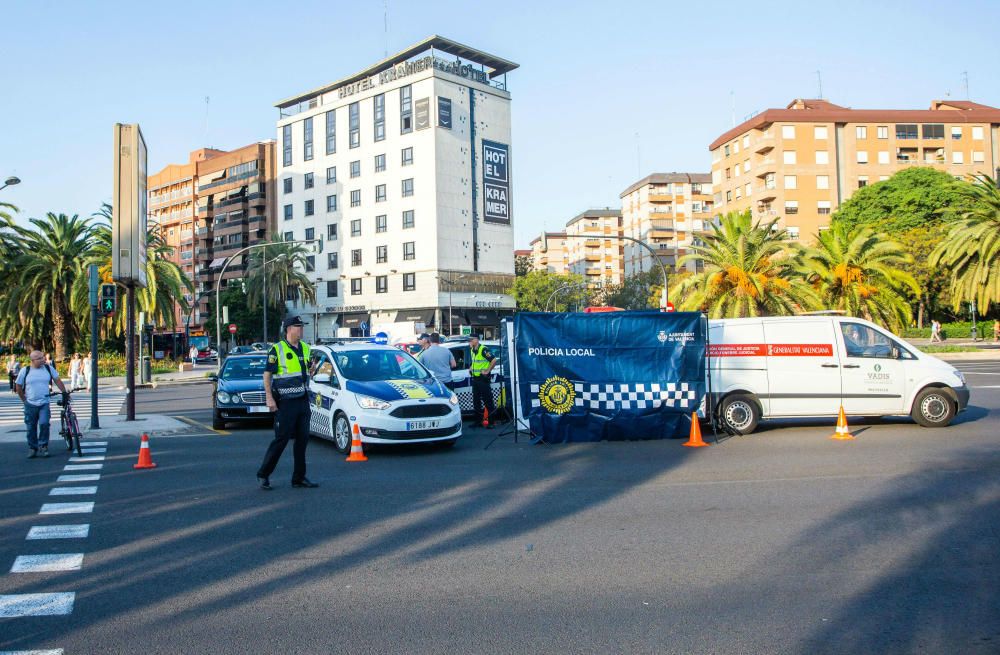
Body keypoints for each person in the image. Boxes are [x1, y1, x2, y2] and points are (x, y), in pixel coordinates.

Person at [256, 316, 318, 490]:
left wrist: (311, 370)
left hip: (303, 401)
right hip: (285, 403)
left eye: (302, 327)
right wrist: (269, 398)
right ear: (289, 329)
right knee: (281, 440)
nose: (301, 330)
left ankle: (299, 477)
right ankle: (263, 474)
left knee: (302, 440)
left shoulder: (306, 348)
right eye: (298, 327)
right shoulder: (277, 349)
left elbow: (305, 372)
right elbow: (267, 374)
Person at [15, 350, 68, 458]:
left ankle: (43, 445)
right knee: (31, 427)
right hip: (30, 403)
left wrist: (64, 392)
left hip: (44, 403)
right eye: (39, 358)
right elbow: (18, 387)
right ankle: (33, 448)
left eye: (43, 357)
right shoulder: (25, 371)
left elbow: (57, 380)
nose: (43, 359)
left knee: (44, 424)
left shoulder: (48, 368)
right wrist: (24, 400)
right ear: (33, 360)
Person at [468, 335, 499, 429]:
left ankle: (491, 422)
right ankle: (478, 421)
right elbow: (475, 361)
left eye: (471, 340)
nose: (469, 342)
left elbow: (493, 360)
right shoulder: (472, 350)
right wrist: (471, 368)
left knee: (488, 400)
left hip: (483, 379)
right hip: (476, 379)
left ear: (476, 340)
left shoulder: (483, 349)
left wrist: (487, 371)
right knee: (476, 401)